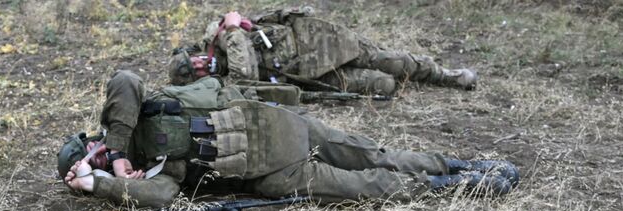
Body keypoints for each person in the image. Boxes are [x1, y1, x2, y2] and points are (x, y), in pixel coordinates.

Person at [58, 70, 517, 211]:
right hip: (277, 175)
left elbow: (124, 78)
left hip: (287, 128)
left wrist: (115, 155)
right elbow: (162, 195)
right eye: (90, 161)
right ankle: (465, 186)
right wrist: (100, 186)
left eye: (90, 151)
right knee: (369, 185)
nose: (95, 155)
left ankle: (461, 164)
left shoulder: (135, 112)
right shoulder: (153, 173)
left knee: (374, 155)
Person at [170, 8, 477, 97]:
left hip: (315, 41)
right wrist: (236, 33)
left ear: (194, 54)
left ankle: (447, 76)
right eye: (194, 74)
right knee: (383, 85)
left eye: (194, 64)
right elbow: (245, 74)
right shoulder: (221, 85)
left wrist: (232, 32)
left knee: (391, 61)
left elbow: (230, 20)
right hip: (314, 76)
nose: (200, 68)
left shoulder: (217, 38)